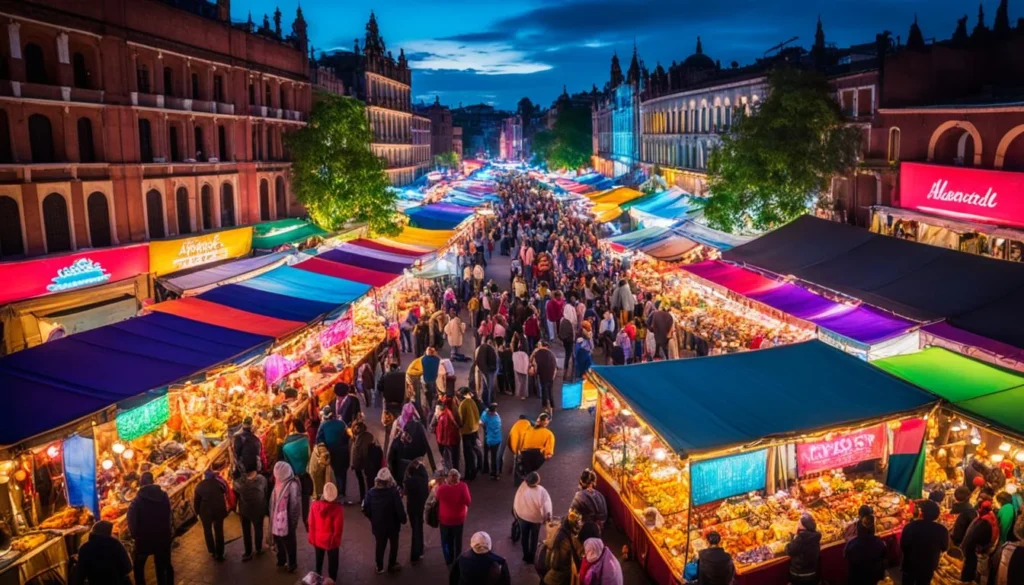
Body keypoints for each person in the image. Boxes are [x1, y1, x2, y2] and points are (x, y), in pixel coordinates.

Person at [127, 472, 174, 585]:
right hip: (163, 536)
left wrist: (135, 536)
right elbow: (169, 514)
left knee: (139, 567)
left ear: (141, 483)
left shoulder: (136, 501)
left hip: (144, 540)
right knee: (163, 565)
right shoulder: (164, 496)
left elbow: (132, 523)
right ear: (153, 481)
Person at [363, 467, 407, 574]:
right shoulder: (393, 493)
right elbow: (399, 509)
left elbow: (365, 509)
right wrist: (403, 519)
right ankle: (392, 565)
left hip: (378, 525)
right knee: (394, 544)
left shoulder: (371, 493)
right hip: (393, 525)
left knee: (380, 545)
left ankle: (379, 566)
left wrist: (372, 518)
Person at [901, 499, 950, 585]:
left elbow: (903, 545)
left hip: (909, 564)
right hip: (928, 566)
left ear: (921, 513)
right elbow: (944, 547)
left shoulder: (909, 527)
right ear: (937, 515)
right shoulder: (942, 530)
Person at [72, 521, 132, 585]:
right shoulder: (116, 544)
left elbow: (80, 576)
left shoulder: (85, 548)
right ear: (108, 532)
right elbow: (128, 568)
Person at [308, 482, 344, 582]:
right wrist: (336, 542)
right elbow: (338, 529)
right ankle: (332, 581)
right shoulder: (338, 509)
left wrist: (312, 538)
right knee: (333, 563)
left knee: (318, 560)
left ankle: (317, 577)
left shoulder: (314, 506)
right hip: (331, 541)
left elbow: (311, 523)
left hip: (318, 539)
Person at [279, 418, 312, 530]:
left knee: (293, 500)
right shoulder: (307, 441)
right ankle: (306, 521)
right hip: (306, 474)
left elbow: (286, 462)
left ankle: (292, 523)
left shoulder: (286, 446)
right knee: (305, 499)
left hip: (294, 477)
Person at [436, 468, 472, 566]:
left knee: (446, 540)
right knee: (458, 540)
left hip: (445, 519)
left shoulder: (441, 488)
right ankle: (458, 559)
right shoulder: (463, 487)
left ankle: (448, 559)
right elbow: (468, 502)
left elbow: (437, 498)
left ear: (448, 478)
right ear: (458, 478)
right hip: (458, 519)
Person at [513, 472, 552, 564]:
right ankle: (532, 556)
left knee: (524, 536)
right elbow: (546, 507)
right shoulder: (541, 491)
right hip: (535, 519)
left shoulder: (522, 487)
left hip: (523, 517)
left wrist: (516, 512)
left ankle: (526, 556)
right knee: (534, 537)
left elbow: (516, 500)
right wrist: (546, 517)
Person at [270, 461, 301, 573]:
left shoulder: (292, 485)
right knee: (279, 540)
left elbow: (295, 506)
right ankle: (281, 560)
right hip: (277, 520)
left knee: (289, 542)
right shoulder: (278, 482)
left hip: (287, 521)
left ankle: (292, 564)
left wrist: (292, 524)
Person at [192, 465, 229, 561]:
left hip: (205, 512)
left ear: (204, 476)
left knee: (207, 531)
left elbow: (196, 501)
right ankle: (220, 553)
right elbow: (225, 490)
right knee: (219, 531)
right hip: (219, 511)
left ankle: (212, 551)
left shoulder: (199, 486)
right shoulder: (219, 483)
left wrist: (197, 513)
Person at [316, 406, 351, 503]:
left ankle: (336, 493)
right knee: (343, 473)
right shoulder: (341, 423)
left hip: (333, 452)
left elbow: (318, 440)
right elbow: (348, 436)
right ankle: (342, 493)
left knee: (335, 473)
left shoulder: (323, 425)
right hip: (344, 452)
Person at [233, 467, 267, 561]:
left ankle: (248, 552)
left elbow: (235, 489)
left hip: (245, 510)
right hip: (258, 509)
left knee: (246, 531)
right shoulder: (261, 480)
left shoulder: (240, 482)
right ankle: (259, 548)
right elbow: (266, 491)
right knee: (258, 528)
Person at [961, 498, 999, 582]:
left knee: (980, 572)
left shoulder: (984, 522)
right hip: (983, 550)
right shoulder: (990, 517)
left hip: (979, 551)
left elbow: (973, 537)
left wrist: (967, 549)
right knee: (982, 571)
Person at [844, 514, 887, 585]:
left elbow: (846, 556)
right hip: (874, 577)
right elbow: (884, 557)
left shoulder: (852, 544)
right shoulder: (879, 542)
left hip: (857, 578)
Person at [543, 514, 584, 585]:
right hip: (559, 580)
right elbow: (556, 564)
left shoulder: (558, 534)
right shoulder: (567, 540)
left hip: (549, 577)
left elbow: (548, 561)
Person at [404, 458, 430, 564]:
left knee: (415, 528)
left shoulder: (409, 482)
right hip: (421, 507)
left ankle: (416, 551)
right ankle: (419, 550)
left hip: (411, 507)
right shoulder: (424, 481)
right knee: (419, 528)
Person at [351, 420, 383, 502]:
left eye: (357, 427)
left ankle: (366, 499)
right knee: (362, 482)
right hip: (359, 464)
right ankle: (364, 498)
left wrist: (360, 463)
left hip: (363, 464)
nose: (356, 429)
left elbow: (363, 452)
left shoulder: (365, 437)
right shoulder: (356, 436)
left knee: (365, 483)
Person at [785, 514, 821, 585]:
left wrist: (794, 537)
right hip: (812, 572)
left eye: (799, 523)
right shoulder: (816, 536)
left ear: (803, 526)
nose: (797, 525)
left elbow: (789, 550)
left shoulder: (801, 538)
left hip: (800, 574)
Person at [379, 362, 406, 455]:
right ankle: (401, 448)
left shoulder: (386, 376)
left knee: (388, 430)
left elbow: (379, 387)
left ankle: (387, 453)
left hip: (388, 405)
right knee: (400, 426)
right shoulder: (403, 376)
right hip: (400, 404)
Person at [520, 412, 555, 477]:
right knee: (532, 473)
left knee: (528, 472)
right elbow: (549, 453)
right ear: (546, 422)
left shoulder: (529, 429)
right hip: (537, 456)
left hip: (524, 453)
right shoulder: (549, 434)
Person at [458, 387, 482, 480]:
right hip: (475, 431)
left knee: (468, 454)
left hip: (466, 432)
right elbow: (477, 415)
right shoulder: (472, 402)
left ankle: (470, 474)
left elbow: (461, 419)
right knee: (476, 449)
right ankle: (479, 467)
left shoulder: (462, 404)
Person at [530, 341, 558, 411]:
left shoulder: (538, 354)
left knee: (544, 390)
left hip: (543, 375)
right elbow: (555, 367)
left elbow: (532, 362)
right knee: (549, 390)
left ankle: (545, 406)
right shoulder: (551, 354)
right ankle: (552, 406)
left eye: (540, 345)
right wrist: (553, 376)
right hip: (550, 375)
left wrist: (533, 353)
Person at [480, 403, 503, 480]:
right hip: (496, 439)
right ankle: (497, 472)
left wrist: (484, 426)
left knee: (493, 457)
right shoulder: (497, 418)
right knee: (495, 456)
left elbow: (480, 422)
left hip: (491, 440)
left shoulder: (487, 417)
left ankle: (494, 473)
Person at [475, 336, 499, 406]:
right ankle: (487, 402)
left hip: (483, 370)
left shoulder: (481, 348)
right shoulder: (492, 350)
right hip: (488, 371)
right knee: (488, 387)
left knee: (483, 387)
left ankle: (484, 402)